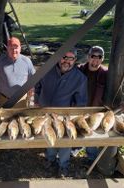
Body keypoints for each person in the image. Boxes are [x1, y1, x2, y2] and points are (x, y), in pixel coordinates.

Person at [34, 48, 88, 177]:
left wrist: (72, 116)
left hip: (64, 116)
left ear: (75, 61)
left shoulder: (80, 78)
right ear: (58, 58)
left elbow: (81, 101)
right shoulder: (46, 70)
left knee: (65, 140)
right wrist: (37, 99)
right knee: (49, 135)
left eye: (71, 59)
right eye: (64, 57)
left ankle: (63, 164)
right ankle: (50, 158)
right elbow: (37, 85)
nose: (67, 61)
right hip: (46, 111)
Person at [79, 46, 117, 175]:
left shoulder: (106, 74)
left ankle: (91, 158)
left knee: (92, 135)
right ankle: (75, 148)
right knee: (78, 130)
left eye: (99, 57)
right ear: (88, 57)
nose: (95, 60)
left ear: (102, 59)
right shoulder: (80, 70)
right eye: (92, 57)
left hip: (96, 110)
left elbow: (115, 89)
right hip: (79, 108)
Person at [0, 37, 35, 107]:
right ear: (7, 48)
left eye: (16, 48)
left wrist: (32, 90)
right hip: (4, 99)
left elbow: (33, 78)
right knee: (4, 118)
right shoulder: (0, 60)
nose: (14, 50)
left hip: (21, 100)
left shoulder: (27, 61)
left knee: (21, 117)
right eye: (11, 48)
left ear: (20, 48)